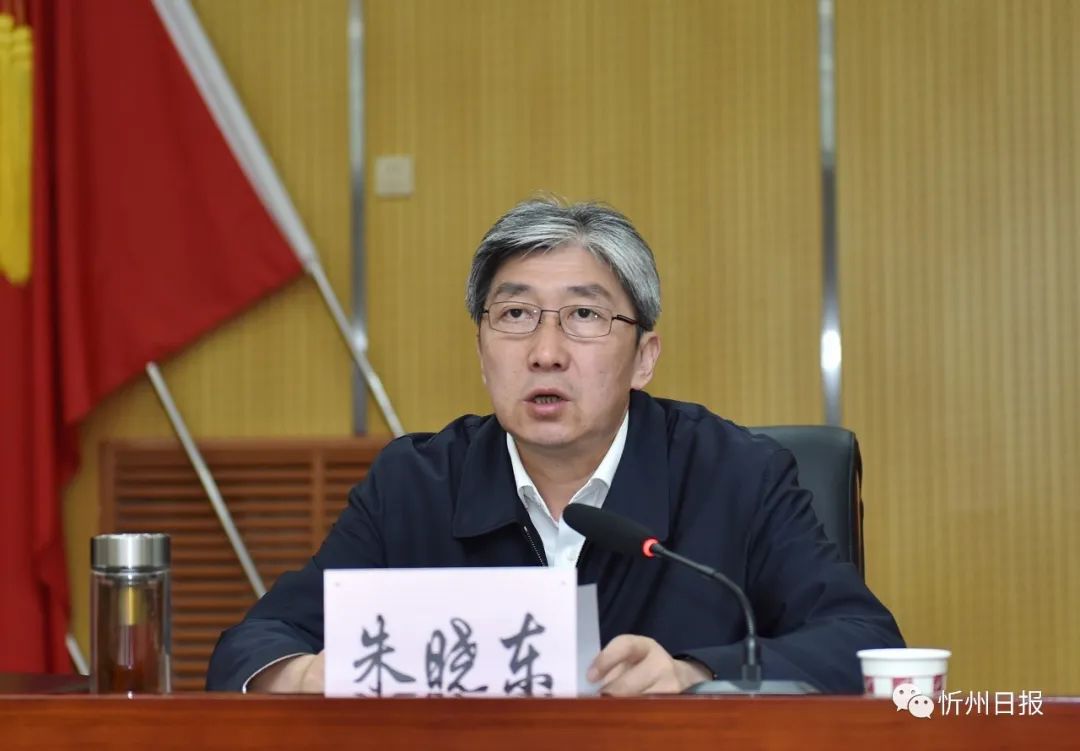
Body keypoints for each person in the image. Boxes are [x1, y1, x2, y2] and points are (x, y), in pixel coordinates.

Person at [206, 198, 904, 694]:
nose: (545, 352)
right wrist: (308, 674)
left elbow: (865, 643)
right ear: (482, 352)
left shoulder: (736, 476)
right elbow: (252, 645)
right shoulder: (415, 484)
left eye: (584, 315)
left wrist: (696, 674)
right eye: (515, 314)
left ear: (644, 358)